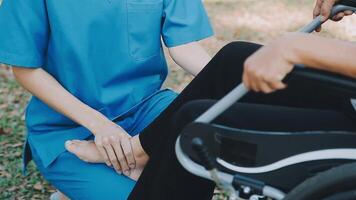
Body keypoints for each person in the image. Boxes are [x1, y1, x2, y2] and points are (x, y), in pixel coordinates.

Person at [0, 1, 354, 200]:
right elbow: (24, 69)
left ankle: (141, 152)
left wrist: (233, 84)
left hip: (149, 110)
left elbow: (184, 47)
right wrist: (101, 126)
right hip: (71, 128)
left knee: (194, 129)